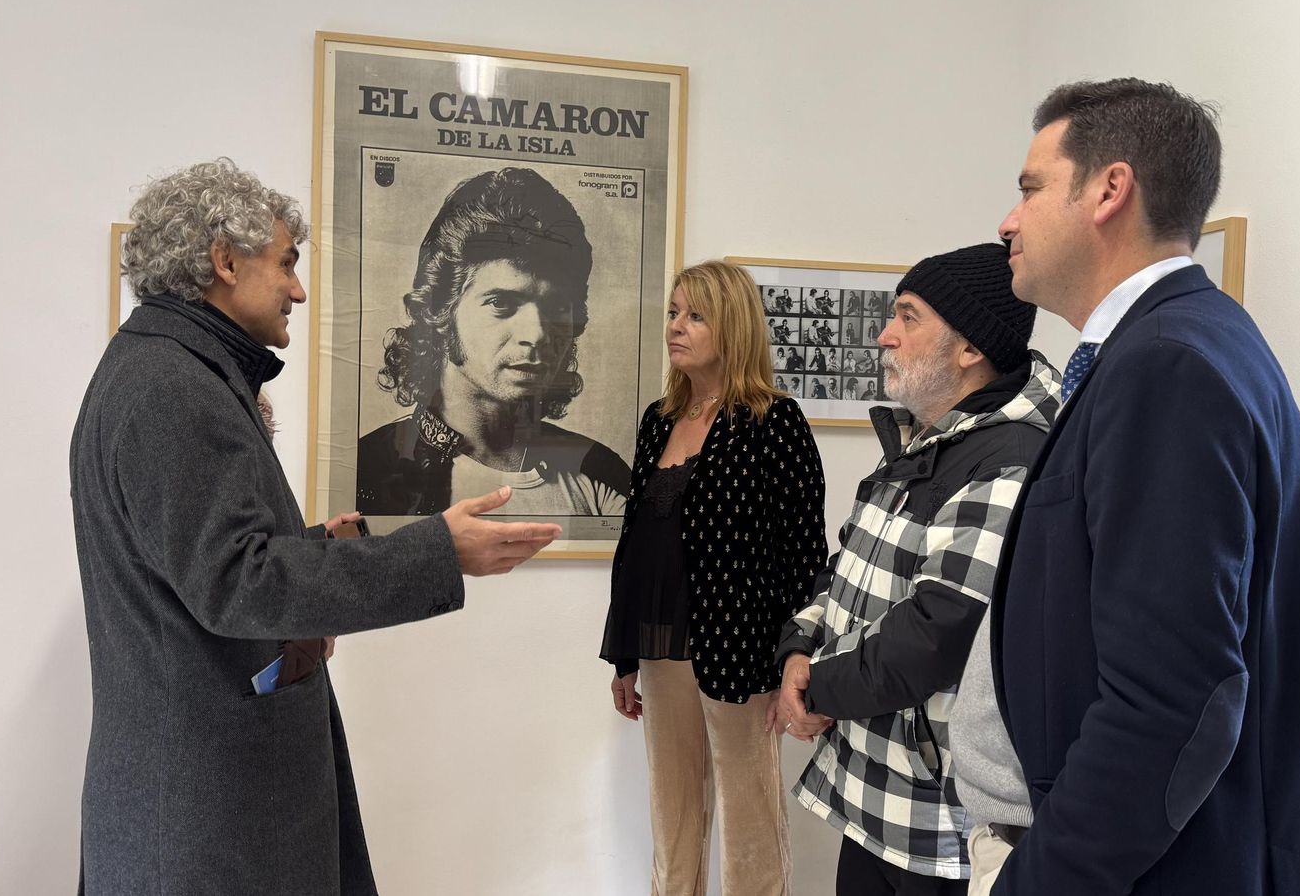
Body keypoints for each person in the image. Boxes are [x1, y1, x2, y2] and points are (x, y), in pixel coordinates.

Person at [71, 159, 560, 895]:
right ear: (224, 261)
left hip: (197, 794)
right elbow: (238, 583)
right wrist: (438, 552)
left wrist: (313, 552)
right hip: (207, 812)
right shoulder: (173, 389)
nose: (298, 289)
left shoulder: (162, 371)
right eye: (285, 264)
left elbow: (195, 564)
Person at [990, 78, 1300, 895]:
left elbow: (1170, 704)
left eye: (1029, 189)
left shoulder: (1168, 365)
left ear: (1110, 190)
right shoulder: (1186, 342)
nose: (1008, 221)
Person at [775, 244, 1054, 895]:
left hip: (938, 825)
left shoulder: (1011, 456)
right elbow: (843, 567)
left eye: (908, 316)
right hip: (873, 802)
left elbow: (935, 634)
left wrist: (814, 688)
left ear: (969, 348)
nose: (885, 334)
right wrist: (798, 647)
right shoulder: (918, 440)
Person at [600, 260, 827, 896]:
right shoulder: (658, 420)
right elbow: (635, 543)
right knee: (671, 814)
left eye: (695, 315)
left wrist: (795, 657)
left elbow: (805, 554)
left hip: (743, 649)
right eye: (674, 312)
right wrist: (622, 655)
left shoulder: (774, 423)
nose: (677, 326)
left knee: (748, 818)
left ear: (733, 327)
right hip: (660, 644)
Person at [357, 166, 630, 517]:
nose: (537, 335)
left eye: (557, 307)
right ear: (439, 310)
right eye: (502, 303)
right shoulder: (370, 469)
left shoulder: (601, 474)